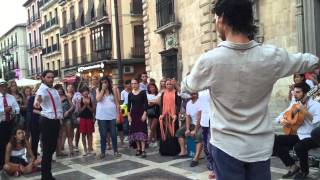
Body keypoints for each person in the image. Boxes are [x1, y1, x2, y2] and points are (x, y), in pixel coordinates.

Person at [180, 0, 320, 179]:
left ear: (222, 18)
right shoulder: (272, 56)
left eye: (215, 19)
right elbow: (311, 60)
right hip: (260, 147)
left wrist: (188, 79)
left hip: (226, 147)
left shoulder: (209, 61)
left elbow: (188, 86)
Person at [273, 83, 320, 179]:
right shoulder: (295, 104)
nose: (294, 94)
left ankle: (304, 172)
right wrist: (282, 120)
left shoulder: (316, 106)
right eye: (294, 92)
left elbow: (316, 123)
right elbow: (281, 116)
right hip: (299, 134)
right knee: (274, 140)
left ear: (306, 93)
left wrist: (304, 111)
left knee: (300, 147)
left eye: (298, 92)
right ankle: (292, 166)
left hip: (313, 136)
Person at [34, 70, 63, 180]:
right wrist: (37, 102)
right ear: (43, 78)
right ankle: (45, 176)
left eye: (52, 77)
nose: (51, 79)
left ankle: (47, 174)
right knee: (47, 150)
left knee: (51, 149)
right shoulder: (42, 88)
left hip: (55, 121)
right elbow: (38, 98)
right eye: (48, 77)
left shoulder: (54, 90)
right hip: (47, 121)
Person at [96, 76, 121, 158]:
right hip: (102, 116)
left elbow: (117, 104)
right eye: (102, 82)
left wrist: (118, 116)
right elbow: (98, 99)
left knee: (114, 134)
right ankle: (103, 152)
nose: (104, 84)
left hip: (112, 116)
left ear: (108, 83)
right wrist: (102, 90)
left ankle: (116, 151)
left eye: (105, 82)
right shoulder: (98, 90)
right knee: (103, 135)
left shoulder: (113, 90)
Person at [176, 92, 203, 167]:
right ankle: (183, 152)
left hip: (201, 124)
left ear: (197, 94)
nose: (191, 95)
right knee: (179, 132)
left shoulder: (200, 102)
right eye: (190, 94)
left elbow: (199, 118)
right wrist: (187, 129)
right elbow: (187, 117)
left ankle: (196, 158)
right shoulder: (188, 103)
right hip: (192, 124)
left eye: (193, 94)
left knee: (198, 136)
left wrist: (195, 130)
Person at [158, 79, 181, 156]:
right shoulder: (163, 94)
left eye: (170, 84)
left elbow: (178, 104)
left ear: (173, 85)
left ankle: (173, 150)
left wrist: (175, 114)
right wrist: (161, 114)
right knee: (165, 133)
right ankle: (165, 150)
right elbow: (161, 105)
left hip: (173, 117)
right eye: (167, 84)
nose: (169, 86)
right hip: (165, 116)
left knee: (173, 133)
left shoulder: (176, 93)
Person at [0, 79, 20, 170]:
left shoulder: (11, 97)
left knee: (10, 143)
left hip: (10, 123)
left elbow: (17, 108)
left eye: (4, 86)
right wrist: (4, 110)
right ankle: (1, 163)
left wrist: (13, 111)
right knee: (1, 144)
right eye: (1, 86)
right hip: (1, 123)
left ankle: (10, 161)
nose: (3, 88)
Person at [128, 78, 148, 158]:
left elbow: (146, 104)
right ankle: (138, 148)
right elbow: (128, 106)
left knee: (142, 131)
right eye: (132, 83)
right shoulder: (130, 94)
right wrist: (129, 116)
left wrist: (144, 114)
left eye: (135, 83)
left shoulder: (143, 93)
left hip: (141, 113)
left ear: (138, 84)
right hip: (133, 114)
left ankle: (143, 150)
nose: (133, 85)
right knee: (135, 131)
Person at [198, 89, 215, 179]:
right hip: (204, 121)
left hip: (215, 120)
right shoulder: (200, 90)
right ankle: (211, 167)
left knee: (213, 145)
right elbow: (185, 94)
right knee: (206, 146)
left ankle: (215, 168)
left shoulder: (215, 85)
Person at [54, 84, 74, 157]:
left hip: (67, 118)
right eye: (57, 89)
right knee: (59, 135)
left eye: (60, 89)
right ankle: (59, 151)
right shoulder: (54, 98)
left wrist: (68, 111)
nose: (59, 90)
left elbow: (72, 106)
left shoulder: (67, 97)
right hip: (58, 119)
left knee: (69, 134)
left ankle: (71, 150)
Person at [78, 86, 95, 156]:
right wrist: (85, 105)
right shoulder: (80, 100)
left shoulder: (91, 99)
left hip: (89, 118)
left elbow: (93, 110)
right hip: (82, 119)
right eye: (84, 91)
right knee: (83, 134)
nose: (85, 92)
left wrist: (88, 106)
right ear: (81, 93)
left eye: (86, 91)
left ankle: (90, 148)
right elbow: (79, 111)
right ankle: (85, 149)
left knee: (90, 134)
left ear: (88, 92)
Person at [26, 84, 41, 159]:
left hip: (44, 121)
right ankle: (34, 157)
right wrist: (43, 113)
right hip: (34, 121)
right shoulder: (32, 98)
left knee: (46, 139)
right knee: (35, 140)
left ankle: (47, 156)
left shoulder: (45, 98)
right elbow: (31, 110)